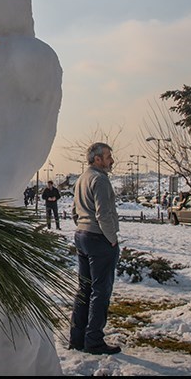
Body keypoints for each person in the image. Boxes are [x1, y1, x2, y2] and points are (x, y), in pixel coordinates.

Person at [69, 142, 122, 356]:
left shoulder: (82, 178)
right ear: (97, 158)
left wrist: (82, 226)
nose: (112, 160)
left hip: (82, 236)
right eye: (108, 156)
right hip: (99, 239)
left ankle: (77, 338)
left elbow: (74, 210)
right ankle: (94, 341)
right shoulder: (100, 179)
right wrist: (112, 239)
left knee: (84, 289)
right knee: (100, 291)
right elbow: (103, 214)